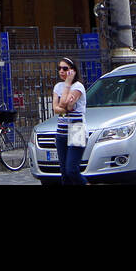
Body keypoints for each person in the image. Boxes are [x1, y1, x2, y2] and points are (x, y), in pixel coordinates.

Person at [52, 57, 87, 186]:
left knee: (72, 170)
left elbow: (64, 103)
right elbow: (56, 109)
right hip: (61, 131)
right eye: (59, 68)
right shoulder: (57, 86)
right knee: (64, 173)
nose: (61, 71)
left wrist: (68, 83)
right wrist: (64, 109)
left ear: (72, 71)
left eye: (65, 68)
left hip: (77, 129)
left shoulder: (78, 86)